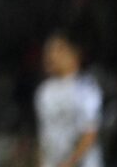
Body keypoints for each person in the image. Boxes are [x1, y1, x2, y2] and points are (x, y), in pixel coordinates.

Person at [35, 30, 104, 167]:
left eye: (57, 50)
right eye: (48, 51)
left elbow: (90, 133)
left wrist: (69, 163)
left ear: (73, 54)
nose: (50, 56)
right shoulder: (44, 91)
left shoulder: (86, 88)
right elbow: (44, 136)